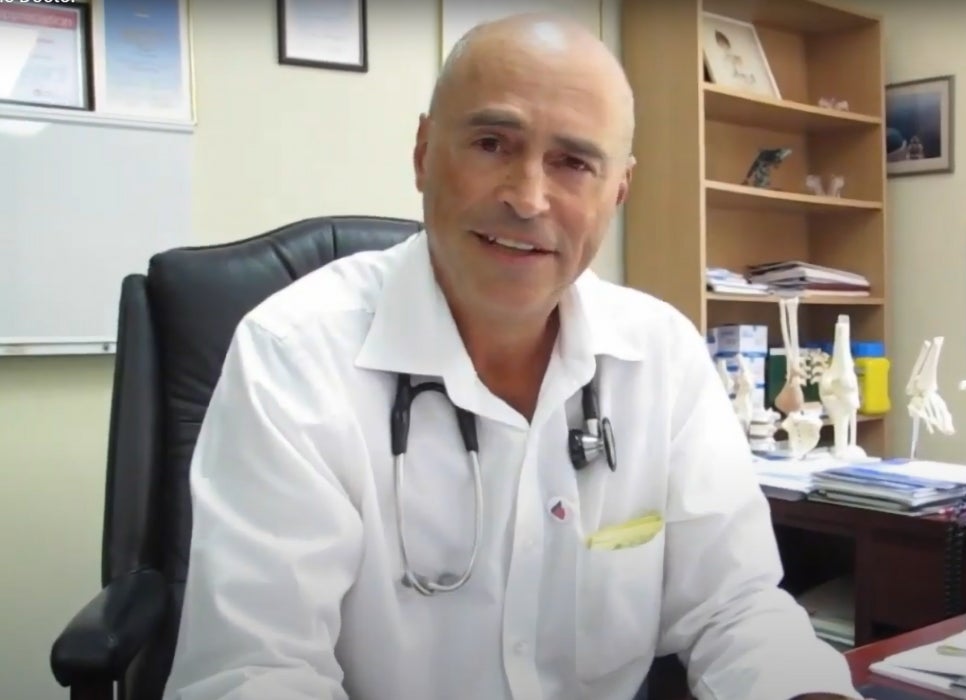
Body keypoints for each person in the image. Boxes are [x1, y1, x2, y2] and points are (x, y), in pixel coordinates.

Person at [163, 13, 863, 700]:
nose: (528, 198)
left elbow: (733, 605)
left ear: (618, 189)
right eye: (493, 143)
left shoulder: (663, 357)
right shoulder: (294, 354)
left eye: (574, 162)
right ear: (423, 153)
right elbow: (255, 670)